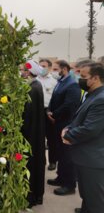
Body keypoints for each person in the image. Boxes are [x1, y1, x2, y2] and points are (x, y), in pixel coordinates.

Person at [62, 62, 104, 213]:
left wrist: (68, 135)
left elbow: (90, 129)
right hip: (85, 157)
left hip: (92, 159)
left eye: (83, 76)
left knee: (95, 202)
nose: (79, 78)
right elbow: (81, 118)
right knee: (87, 196)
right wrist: (69, 127)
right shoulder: (92, 94)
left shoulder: (101, 99)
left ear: (95, 78)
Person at [47, 60, 81, 196]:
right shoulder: (61, 81)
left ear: (65, 69)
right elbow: (53, 98)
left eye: (56, 69)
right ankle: (60, 178)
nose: (54, 71)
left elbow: (69, 105)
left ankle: (69, 184)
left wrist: (54, 114)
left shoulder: (72, 84)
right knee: (60, 153)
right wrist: (49, 110)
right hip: (57, 122)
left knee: (67, 155)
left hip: (66, 123)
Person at [21, 60, 46, 207]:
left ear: (29, 72)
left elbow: (27, 114)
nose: (21, 72)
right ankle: (34, 195)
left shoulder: (32, 88)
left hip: (30, 134)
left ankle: (31, 197)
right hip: (34, 132)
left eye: (23, 70)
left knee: (31, 165)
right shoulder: (34, 85)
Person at [37, 58, 58, 171]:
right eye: (40, 66)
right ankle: (41, 161)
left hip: (48, 111)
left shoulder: (54, 81)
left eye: (44, 66)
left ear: (49, 68)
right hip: (37, 112)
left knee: (51, 139)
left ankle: (52, 161)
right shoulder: (35, 80)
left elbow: (56, 98)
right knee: (39, 138)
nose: (42, 68)